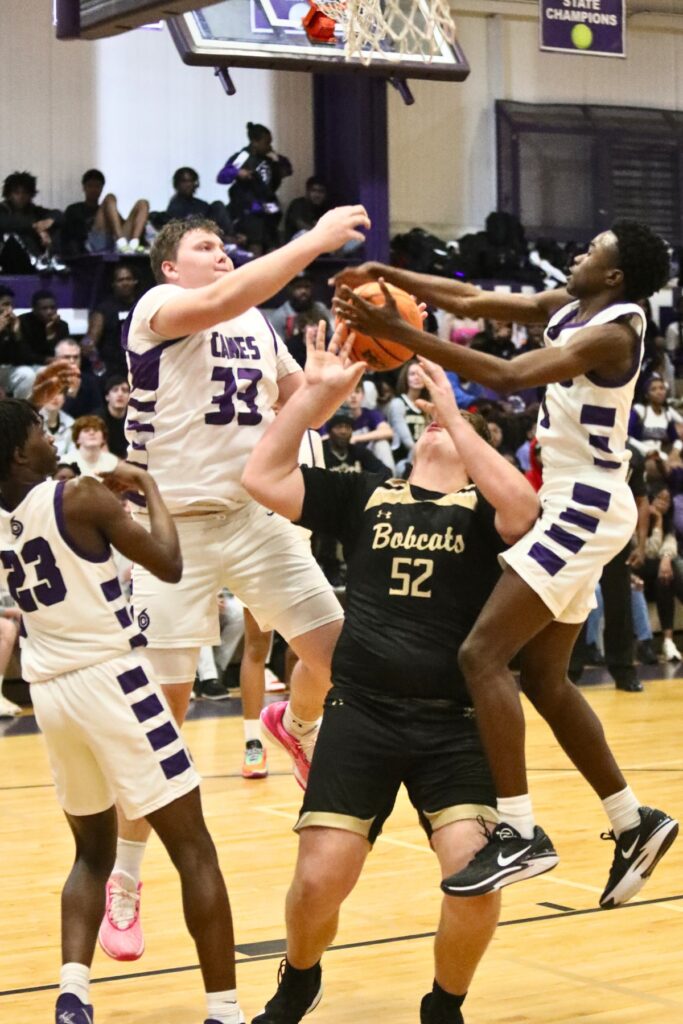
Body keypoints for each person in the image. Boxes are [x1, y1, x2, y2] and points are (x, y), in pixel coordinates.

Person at [334, 219, 679, 906]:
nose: (579, 251)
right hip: (570, 497)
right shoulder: (571, 305)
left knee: (480, 656)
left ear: (613, 276)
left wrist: (394, 331)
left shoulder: (613, 332)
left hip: (582, 500)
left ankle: (517, 833)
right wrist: (393, 278)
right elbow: (468, 304)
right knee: (542, 678)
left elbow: (506, 373)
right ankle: (632, 820)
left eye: (593, 250)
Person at [241, 326, 539, 1024]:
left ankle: (444, 1005)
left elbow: (523, 510)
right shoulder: (367, 493)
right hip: (363, 713)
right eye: (429, 421)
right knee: (317, 882)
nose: (435, 424)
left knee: (473, 880)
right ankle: (298, 980)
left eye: (454, 425)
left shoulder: (483, 512)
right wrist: (311, 396)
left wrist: (459, 417)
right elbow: (261, 476)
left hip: (455, 725)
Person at [98, 206, 370, 960]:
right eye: (205, 246)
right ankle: (125, 879)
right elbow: (223, 299)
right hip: (170, 531)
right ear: (169, 268)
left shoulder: (258, 325)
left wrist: (325, 390)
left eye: (226, 247)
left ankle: (297, 725)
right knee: (164, 724)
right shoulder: (156, 309)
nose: (222, 256)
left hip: (253, 521)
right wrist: (312, 242)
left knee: (343, 658)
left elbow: (296, 405)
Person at [0, 392, 244, 1024]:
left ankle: (73, 994)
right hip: (113, 681)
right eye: (39, 429)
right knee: (194, 848)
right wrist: (150, 490)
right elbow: (168, 563)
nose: (49, 435)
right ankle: (224, 1011)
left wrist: (118, 507)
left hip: (51, 693)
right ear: (20, 449)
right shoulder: (78, 496)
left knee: (91, 853)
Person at [217, 122, 292, 255]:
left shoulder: (270, 157)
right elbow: (222, 177)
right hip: (249, 209)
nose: (269, 146)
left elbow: (288, 171)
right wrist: (237, 172)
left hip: (268, 209)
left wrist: (277, 160)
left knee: (273, 245)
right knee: (256, 243)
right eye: (266, 142)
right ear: (254, 142)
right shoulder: (244, 156)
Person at [63, 168, 149, 256]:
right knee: (110, 197)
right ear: (84, 188)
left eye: (97, 186)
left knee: (143, 203)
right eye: (90, 186)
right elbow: (69, 235)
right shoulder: (74, 209)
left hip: (114, 241)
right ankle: (121, 243)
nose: (94, 190)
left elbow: (121, 224)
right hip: (94, 243)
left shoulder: (108, 208)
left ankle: (134, 244)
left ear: (102, 188)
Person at [0, 171, 64, 273]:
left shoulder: (34, 211)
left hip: (31, 262)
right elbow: (7, 223)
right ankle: (38, 260)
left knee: (56, 225)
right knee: (15, 232)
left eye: (25, 192)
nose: (21, 196)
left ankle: (54, 259)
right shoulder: (2, 210)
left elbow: (59, 214)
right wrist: (36, 227)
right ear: (9, 195)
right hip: (8, 259)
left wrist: (49, 221)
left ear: (31, 195)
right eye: (17, 192)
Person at [84, 264, 140, 378]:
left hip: (139, 365)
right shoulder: (104, 309)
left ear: (135, 281)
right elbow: (89, 342)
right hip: (112, 369)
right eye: (120, 280)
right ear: (114, 284)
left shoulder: (143, 304)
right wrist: (97, 364)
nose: (125, 283)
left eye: (128, 279)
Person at [267, 275, 334, 368]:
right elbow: (277, 350)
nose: (303, 291)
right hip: (292, 361)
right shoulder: (279, 316)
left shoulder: (321, 309)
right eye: (298, 287)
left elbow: (332, 336)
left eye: (306, 287)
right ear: (290, 289)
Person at [0, 284, 37, 399]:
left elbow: (25, 359)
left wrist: (17, 335)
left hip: (5, 370)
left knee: (28, 374)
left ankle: (18, 411)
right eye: (5, 305)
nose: (10, 310)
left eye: (11, 305)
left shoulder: (16, 323)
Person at [19, 290, 70, 365]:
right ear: (34, 310)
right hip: (27, 364)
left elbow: (62, 352)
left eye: (53, 308)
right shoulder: (23, 322)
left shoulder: (62, 325)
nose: (49, 312)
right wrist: (44, 360)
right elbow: (24, 353)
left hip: (53, 363)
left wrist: (51, 336)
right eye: (44, 308)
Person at [283, 177, 329, 241]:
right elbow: (301, 225)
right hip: (295, 244)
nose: (317, 195)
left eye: (321, 191)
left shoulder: (325, 208)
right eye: (314, 190)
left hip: (318, 242)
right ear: (307, 192)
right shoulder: (298, 204)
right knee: (305, 233)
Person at [95, 375, 130, 459]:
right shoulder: (98, 418)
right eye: (115, 390)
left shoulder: (134, 417)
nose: (120, 394)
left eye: (124, 391)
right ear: (107, 397)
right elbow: (103, 453)